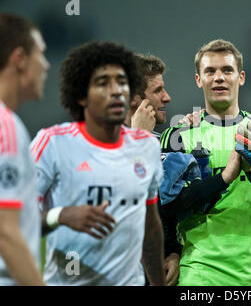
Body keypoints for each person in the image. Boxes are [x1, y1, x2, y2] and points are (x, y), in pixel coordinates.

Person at [159, 39, 251, 285]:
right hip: (200, 274)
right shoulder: (178, 136)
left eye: (227, 70)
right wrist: (172, 250)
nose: (219, 77)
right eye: (210, 71)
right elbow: (169, 209)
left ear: (240, 77)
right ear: (199, 80)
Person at [30, 41, 165, 285]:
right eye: (103, 83)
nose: (116, 91)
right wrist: (60, 215)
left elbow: (150, 227)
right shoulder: (52, 143)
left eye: (122, 82)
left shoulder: (147, 146)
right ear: (81, 96)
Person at [0, 13, 48, 286]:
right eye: (40, 54)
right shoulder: (5, 127)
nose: (46, 64)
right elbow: (6, 232)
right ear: (19, 59)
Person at [124, 53, 179, 285]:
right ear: (135, 98)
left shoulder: (164, 145)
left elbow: (166, 211)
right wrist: (139, 140)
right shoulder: (98, 146)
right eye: (157, 91)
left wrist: (175, 252)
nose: (167, 98)